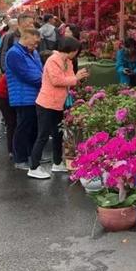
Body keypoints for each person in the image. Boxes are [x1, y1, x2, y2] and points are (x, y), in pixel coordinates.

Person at [29, 37, 89, 179]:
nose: (76, 54)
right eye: (76, 51)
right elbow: (57, 81)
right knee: (43, 135)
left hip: (58, 104)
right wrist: (76, 77)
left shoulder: (67, 61)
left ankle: (57, 163)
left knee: (58, 134)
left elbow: (69, 79)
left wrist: (78, 78)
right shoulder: (53, 60)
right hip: (46, 103)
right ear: (72, 50)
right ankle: (33, 167)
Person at [5, 28, 43, 170]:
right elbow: (26, 75)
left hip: (33, 95)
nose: (36, 45)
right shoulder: (14, 53)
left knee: (33, 127)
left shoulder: (31, 52)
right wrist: (46, 80)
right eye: (34, 42)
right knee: (23, 127)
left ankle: (32, 155)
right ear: (26, 38)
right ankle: (20, 159)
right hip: (22, 97)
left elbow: (40, 70)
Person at [0, 72, 16, 161]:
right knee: (11, 122)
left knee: (13, 122)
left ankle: (13, 149)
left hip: (6, 93)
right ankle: (12, 150)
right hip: (3, 95)